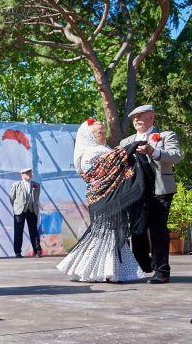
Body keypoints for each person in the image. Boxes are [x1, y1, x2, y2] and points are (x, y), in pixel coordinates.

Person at [57, 118, 148, 283]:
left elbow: (114, 162)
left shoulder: (102, 149)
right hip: (103, 201)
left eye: (104, 132)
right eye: (100, 133)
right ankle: (96, 271)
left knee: (111, 234)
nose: (104, 136)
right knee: (104, 234)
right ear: (90, 136)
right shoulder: (90, 153)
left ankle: (110, 271)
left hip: (108, 200)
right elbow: (109, 164)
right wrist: (130, 147)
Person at [118, 105, 182, 284]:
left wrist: (153, 151)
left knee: (158, 229)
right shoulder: (126, 141)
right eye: (133, 118)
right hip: (136, 192)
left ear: (151, 117)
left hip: (160, 190)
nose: (136, 120)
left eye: (140, 116)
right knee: (137, 230)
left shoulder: (165, 136)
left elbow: (176, 156)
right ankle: (143, 265)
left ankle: (161, 271)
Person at [10, 168, 43, 258]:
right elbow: (12, 198)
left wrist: (35, 207)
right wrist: (16, 207)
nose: (29, 174)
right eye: (27, 173)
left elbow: (36, 198)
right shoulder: (16, 185)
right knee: (18, 231)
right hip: (19, 211)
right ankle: (17, 252)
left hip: (32, 210)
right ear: (22, 175)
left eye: (30, 173)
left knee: (34, 231)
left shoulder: (36, 185)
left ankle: (37, 251)